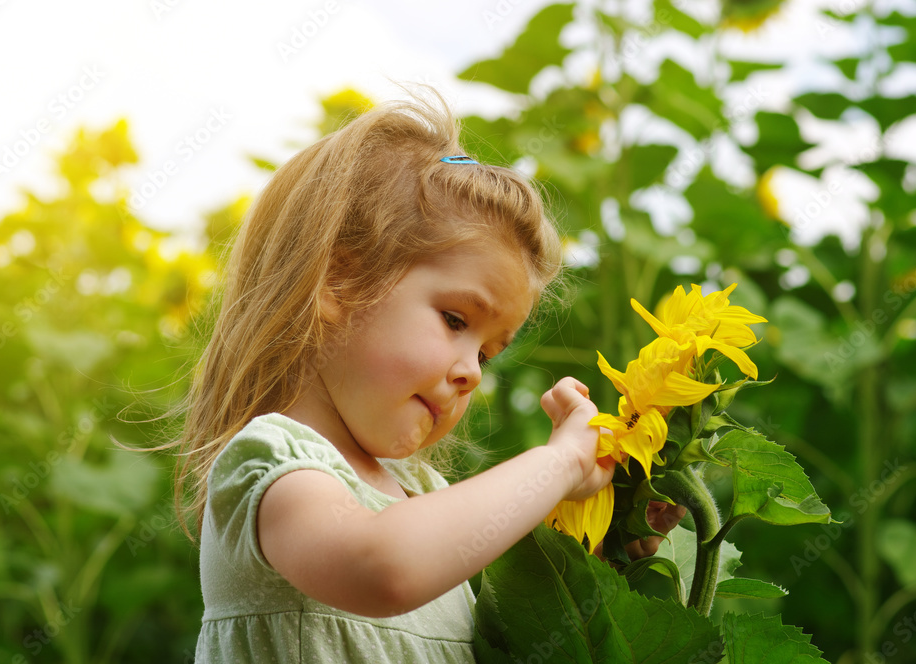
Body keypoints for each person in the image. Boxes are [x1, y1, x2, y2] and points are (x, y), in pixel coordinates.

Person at [168, 88, 671, 664]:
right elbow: (382, 569)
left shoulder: (422, 498)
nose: (472, 374)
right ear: (338, 282)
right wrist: (559, 463)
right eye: (455, 320)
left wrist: (617, 551)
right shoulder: (270, 464)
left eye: (486, 355)